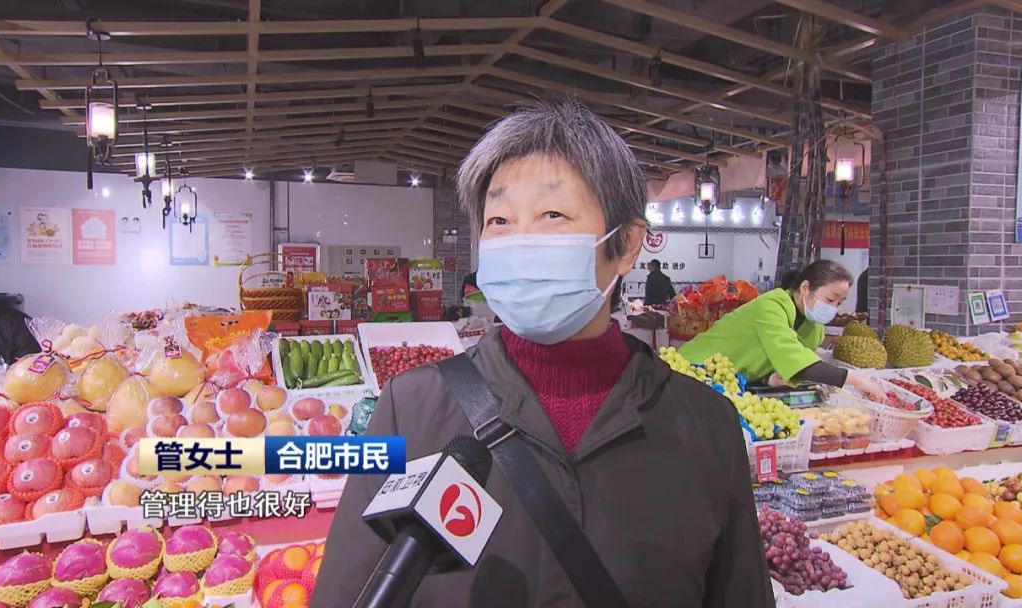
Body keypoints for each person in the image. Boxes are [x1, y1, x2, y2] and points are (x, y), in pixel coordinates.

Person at [313, 99, 773, 608]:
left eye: (552, 214)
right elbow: (347, 592)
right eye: (499, 220)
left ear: (625, 245)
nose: (520, 241)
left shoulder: (705, 427)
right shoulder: (412, 409)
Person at [679, 260, 886, 401]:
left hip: (730, 383)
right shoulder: (770, 307)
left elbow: (789, 363)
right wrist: (857, 379)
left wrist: (770, 379)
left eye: (839, 303)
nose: (833, 308)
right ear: (805, 288)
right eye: (830, 299)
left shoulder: (814, 327)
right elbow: (795, 358)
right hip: (692, 372)